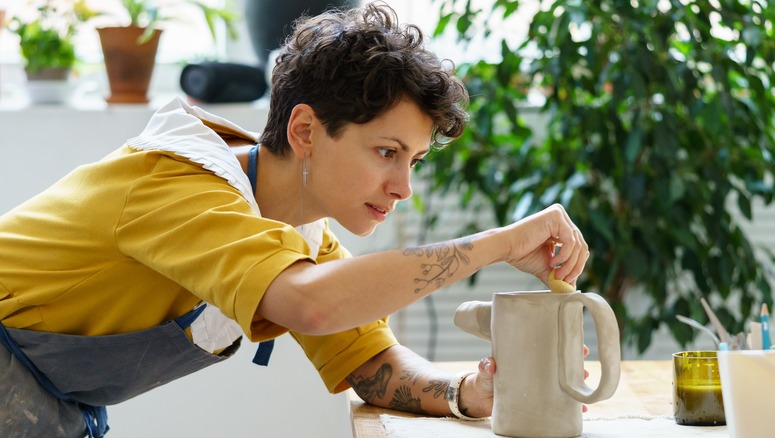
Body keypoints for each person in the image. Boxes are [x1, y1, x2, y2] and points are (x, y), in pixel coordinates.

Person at [0, 2, 588, 437]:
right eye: (386, 152)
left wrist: (470, 392)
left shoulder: (297, 230)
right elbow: (314, 304)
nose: (403, 187)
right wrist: (499, 244)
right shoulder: (179, 186)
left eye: (412, 160)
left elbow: (367, 359)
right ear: (305, 130)